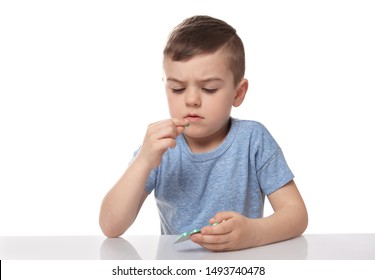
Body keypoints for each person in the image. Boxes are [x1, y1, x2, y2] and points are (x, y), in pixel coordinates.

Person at [99, 15, 308, 251]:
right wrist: (143, 161)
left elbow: (296, 214)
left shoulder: (253, 140)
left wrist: (253, 233)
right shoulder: (160, 149)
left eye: (209, 89)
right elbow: (110, 226)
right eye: (177, 88)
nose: (191, 100)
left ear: (238, 93)